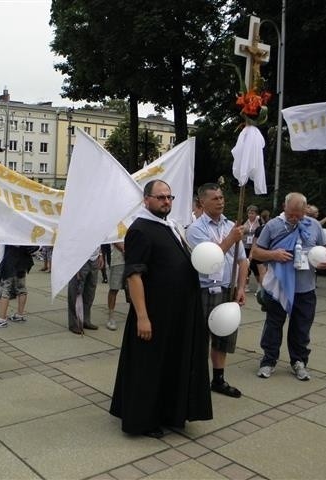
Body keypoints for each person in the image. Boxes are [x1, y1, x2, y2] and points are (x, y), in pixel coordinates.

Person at [110, 180, 212, 438]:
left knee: (170, 364)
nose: (166, 202)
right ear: (147, 200)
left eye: (169, 197)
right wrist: (142, 317)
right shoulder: (140, 230)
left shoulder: (169, 226)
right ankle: (143, 420)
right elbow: (134, 276)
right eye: (160, 197)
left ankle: (169, 412)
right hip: (154, 313)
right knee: (149, 368)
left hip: (176, 313)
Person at [252, 193, 326, 381]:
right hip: (279, 286)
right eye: (291, 214)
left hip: (305, 288)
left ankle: (299, 361)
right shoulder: (273, 225)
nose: (294, 218)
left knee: (301, 327)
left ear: (305, 211)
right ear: (284, 207)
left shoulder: (314, 225)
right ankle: (268, 360)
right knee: (274, 324)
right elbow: (255, 252)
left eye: (298, 215)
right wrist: (274, 255)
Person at [186, 183, 248, 398]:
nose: (220, 201)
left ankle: (218, 379)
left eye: (222, 197)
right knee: (200, 337)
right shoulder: (196, 230)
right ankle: (196, 380)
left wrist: (241, 288)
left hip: (226, 289)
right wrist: (232, 238)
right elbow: (212, 256)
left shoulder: (231, 225)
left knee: (224, 335)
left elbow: (243, 261)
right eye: (215, 198)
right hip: (204, 290)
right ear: (202, 202)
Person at [0, 245, 35, 328]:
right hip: (22, 260)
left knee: (5, 289)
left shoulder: (11, 233)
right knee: (21, 288)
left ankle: (2, 319)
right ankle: (19, 315)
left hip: (10, 260)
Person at [67, 248, 103, 334]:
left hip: (94, 258)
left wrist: (100, 254)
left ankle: (85, 320)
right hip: (80, 258)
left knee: (90, 292)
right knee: (75, 292)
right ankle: (74, 324)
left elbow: (100, 237)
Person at [105, 241, 125, 331]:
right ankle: (111, 317)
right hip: (118, 260)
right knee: (114, 288)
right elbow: (115, 239)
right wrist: (124, 250)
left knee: (132, 290)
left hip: (133, 259)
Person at [242, 205, 262, 292]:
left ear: (256, 214)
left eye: (252, 213)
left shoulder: (259, 222)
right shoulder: (245, 222)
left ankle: (259, 285)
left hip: (255, 246)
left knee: (255, 266)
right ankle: (246, 285)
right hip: (245, 245)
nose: (250, 215)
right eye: (249, 213)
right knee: (246, 265)